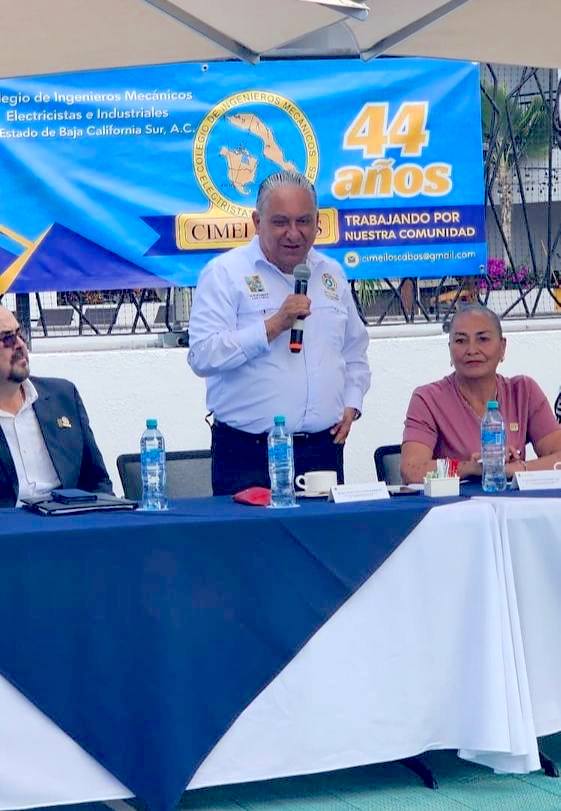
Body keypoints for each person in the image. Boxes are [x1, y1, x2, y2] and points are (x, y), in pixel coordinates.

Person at [188, 170, 371, 495]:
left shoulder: (331, 274)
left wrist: (352, 402)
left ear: (317, 223)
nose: (293, 233)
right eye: (281, 222)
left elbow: (354, 351)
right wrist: (273, 326)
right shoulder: (225, 273)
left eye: (304, 221)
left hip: (322, 450)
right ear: (257, 222)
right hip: (249, 454)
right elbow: (202, 355)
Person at [401, 304, 561, 484]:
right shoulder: (427, 399)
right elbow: (411, 470)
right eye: (460, 341)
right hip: (455, 501)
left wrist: (516, 469)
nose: (472, 350)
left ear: (502, 347)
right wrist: (472, 468)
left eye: (483, 339)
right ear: (450, 349)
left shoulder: (524, 391)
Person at [0, 304, 113, 507]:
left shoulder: (63, 396)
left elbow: (98, 482)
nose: (20, 345)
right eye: (8, 339)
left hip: (67, 519)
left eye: (20, 334)